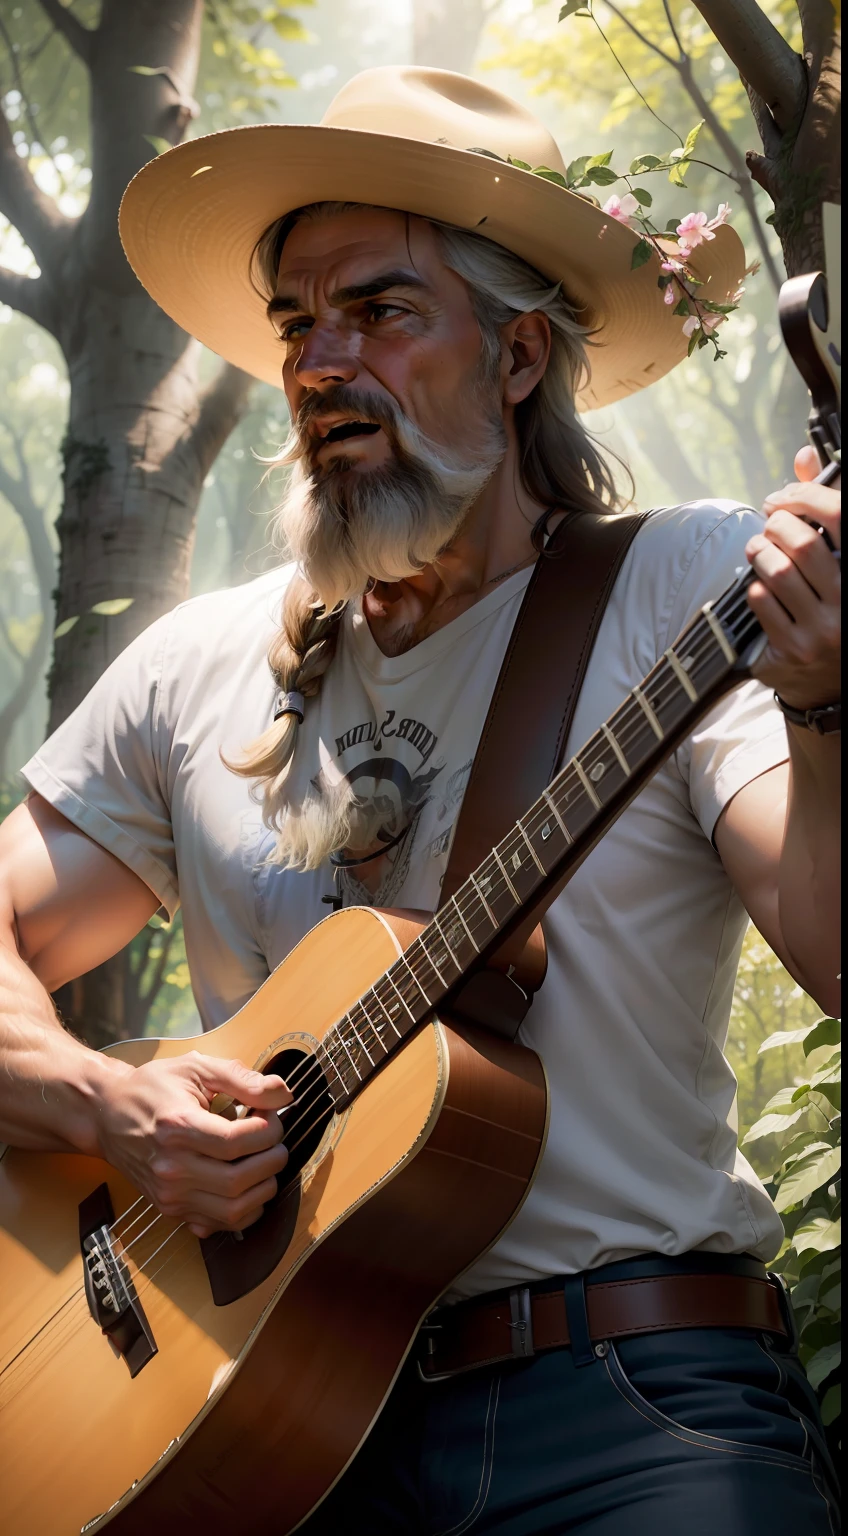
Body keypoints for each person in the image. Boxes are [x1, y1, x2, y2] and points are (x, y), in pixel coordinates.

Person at [0, 66, 840, 1534]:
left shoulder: (680, 590)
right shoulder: (195, 663)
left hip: (635, 1402)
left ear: (520, 356)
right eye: (298, 323)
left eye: (381, 312)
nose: (324, 360)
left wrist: (828, 709)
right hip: (269, 1424)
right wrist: (109, 1104)